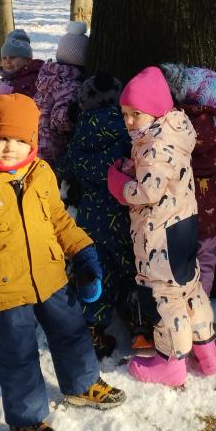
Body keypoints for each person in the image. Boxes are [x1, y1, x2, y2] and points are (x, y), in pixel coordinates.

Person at [0, 93, 126, 431]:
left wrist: (84, 251)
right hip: (5, 289)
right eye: (2, 138)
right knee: (18, 353)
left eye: (20, 140)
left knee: (72, 332)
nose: (10, 148)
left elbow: (58, 221)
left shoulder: (41, 173)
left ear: (33, 141)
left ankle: (82, 385)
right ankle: (26, 418)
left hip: (51, 276)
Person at [107, 66, 216, 386]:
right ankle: (207, 350)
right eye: (125, 113)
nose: (129, 121)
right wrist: (136, 166)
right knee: (189, 287)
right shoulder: (171, 132)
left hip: (159, 234)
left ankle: (170, 361)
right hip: (183, 224)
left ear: (156, 112)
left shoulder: (155, 145)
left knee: (163, 295)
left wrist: (119, 183)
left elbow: (147, 190)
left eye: (136, 114)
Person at [54, 73, 136, 359]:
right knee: (131, 268)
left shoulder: (79, 134)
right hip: (123, 216)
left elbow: (65, 166)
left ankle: (93, 327)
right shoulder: (128, 130)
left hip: (90, 218)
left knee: (97, 271)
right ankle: (139, 322)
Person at [160, 64, 216, 295]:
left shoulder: (170, 124)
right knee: (206, 258)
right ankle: (198, 306)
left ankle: (176, 302)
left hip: (177, 207)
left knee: (177, 258)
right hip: (212, 210)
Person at [34, 21, 88, 164]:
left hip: (34, 134)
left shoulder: (47, 76)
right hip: (52, 143)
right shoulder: (71, 86)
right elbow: (60, 120)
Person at [0, 29, 43, 106]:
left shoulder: (36, 80)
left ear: (28, 61)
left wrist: (11, 93)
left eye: (12, 57)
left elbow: (36, 105)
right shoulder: (1, 83)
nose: (7, 61)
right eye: (4, 58)